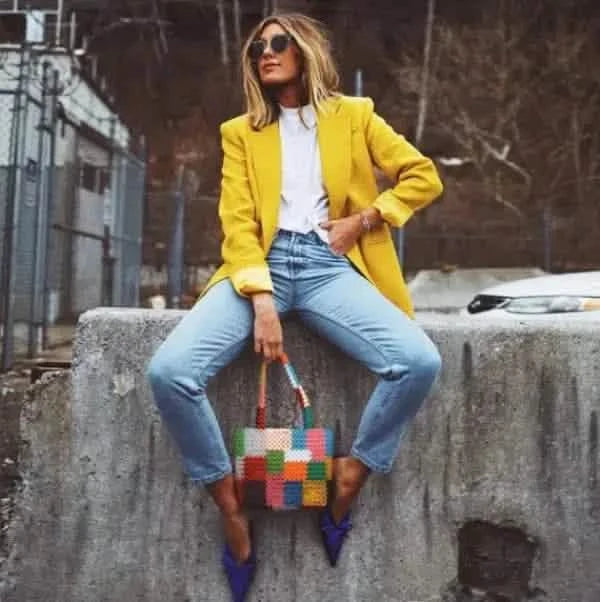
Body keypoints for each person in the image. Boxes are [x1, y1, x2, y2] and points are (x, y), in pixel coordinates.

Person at [147, 12, 443, 602]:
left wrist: (364, 219)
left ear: (305, 51)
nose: (266, 52)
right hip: (261, 267)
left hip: (331, 265)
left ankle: (352, 474)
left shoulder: (354, 116)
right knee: (170, 373)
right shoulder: (241, 132)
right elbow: (235, 223)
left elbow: (423, 175)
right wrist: (261, 300)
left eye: (279, 43)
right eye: (258, 46)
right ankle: (230, 506)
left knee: (418, 361)